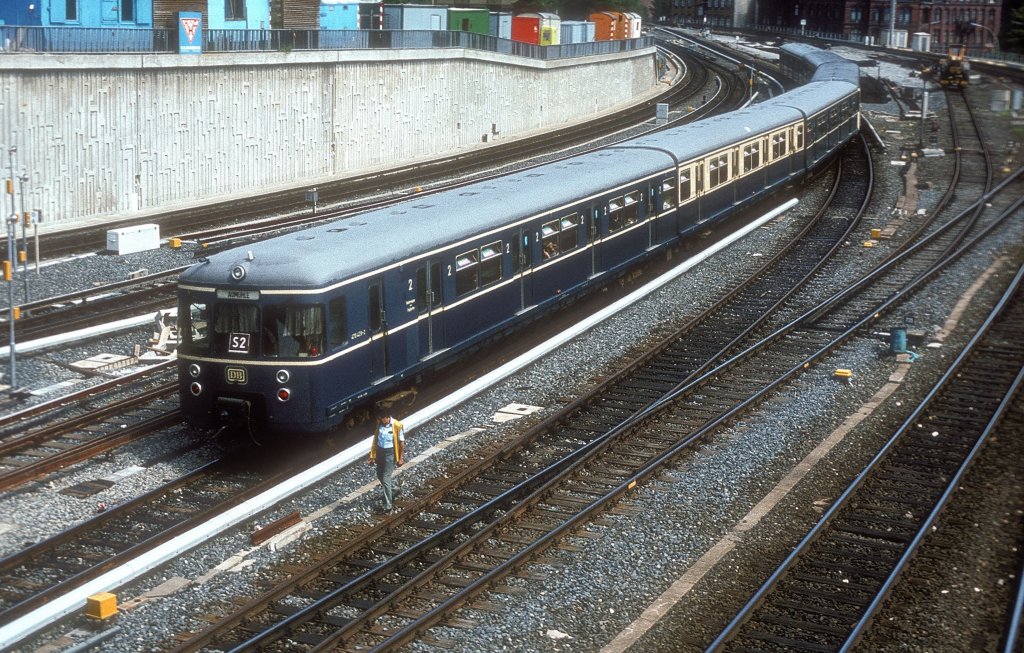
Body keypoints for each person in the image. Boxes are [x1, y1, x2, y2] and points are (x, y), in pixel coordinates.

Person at [368, 413, 405, 512]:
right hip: (380, 452)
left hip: (390, 454)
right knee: (379, 475)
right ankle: (394, 489)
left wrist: (401, 458)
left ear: (387, 417)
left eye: (382, 419)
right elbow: (375, 440)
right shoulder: (379, 424)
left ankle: (388, 505)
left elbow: (401, 443)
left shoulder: (397, 425)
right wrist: (372, 456)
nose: (380, 420)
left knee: (385, 478)